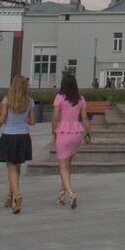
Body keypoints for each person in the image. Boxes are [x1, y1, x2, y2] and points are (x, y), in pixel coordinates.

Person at [0, 75, 34, 214]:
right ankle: (10, 196)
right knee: (17, 167)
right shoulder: (29, 101)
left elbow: (2, 118)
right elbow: (32, 121)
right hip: (23, 136)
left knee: (11, 167)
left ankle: (18, 195)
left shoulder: (7, 100)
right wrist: (23, 120)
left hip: (9, 135)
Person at [51, 72, 89, 209]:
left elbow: (55, 118)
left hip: (63, 132)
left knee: (62, 166)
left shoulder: (59, 98)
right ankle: (61, 195)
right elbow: (84, 118)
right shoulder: (81, 99)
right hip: (76, 133)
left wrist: (53, 131)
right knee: (68, 166)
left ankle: (70, 193)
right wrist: (89, 133)